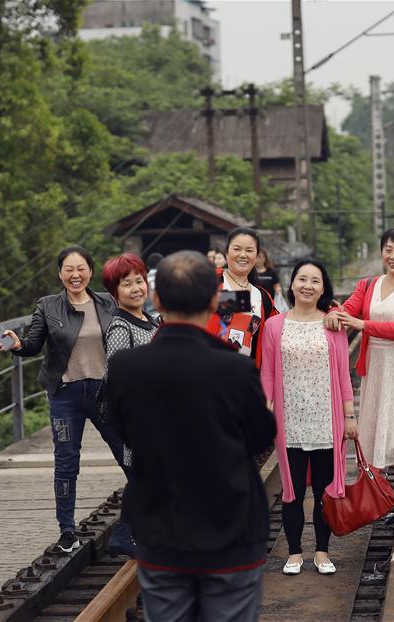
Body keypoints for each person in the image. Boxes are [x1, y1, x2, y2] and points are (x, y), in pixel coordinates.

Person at [106, 251, 275, 622]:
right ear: (215, 300)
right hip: (230, 530)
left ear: (158, 300)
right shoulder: (233, 368)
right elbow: (262, 434)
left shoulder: (125, 367)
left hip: (159, 529)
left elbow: (119, 427)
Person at [0, 246, 127, 554]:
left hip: (104, 392)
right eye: (68, 269)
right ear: (60, 273)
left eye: (81, 268)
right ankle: (66, 530)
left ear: (90, 271)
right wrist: (15, 344)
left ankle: (141, 518)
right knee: (67, 462)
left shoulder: (107, 302)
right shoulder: (48, 306)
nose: (75, 275)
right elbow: (32, 345)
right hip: (66, 395)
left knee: (127, 451)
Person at [327, 228, 394, 527]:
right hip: (377, 368)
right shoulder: (367, 285)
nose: (393, 255)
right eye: (388, 249)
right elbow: (346, 309)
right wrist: (332, 313)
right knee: (385, 432)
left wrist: (362, 323)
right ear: (381, 252)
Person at [261, 259, 355, 576]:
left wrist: (349, 415)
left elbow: (343, 374)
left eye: (315, 281)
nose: (307, 285)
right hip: (290, 422)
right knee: (293, 492)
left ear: (322, 289)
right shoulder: (275, 326)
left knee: (324, 493)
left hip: (326, 421)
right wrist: (268, 407)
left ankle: (322, 552)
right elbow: (267, 372)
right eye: (302, 279)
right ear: (291, 284)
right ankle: (294, 552)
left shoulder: (332, 325)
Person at [100, 253, 160, 558]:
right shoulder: (120, 327)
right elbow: (117, 376)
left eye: (139, 281)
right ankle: (124, 534)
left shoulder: (149, 320)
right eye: (127, 284)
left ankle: (141, 532)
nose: (136, 288)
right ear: (115, 292)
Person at [206, 228, 277, 367]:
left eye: (249, 250)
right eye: (237, 249)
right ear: (226, 252)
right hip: (206, 371)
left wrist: (330, 309)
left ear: (257, 256)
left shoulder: (262, 297)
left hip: (243, 377)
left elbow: (280, 327)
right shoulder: (208, 280)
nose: (243, 255)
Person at [143, 252, 164, 319]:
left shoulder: (142, 280)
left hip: (150, 319)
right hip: (166, 318)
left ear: (148, 267)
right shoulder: (168, 277)